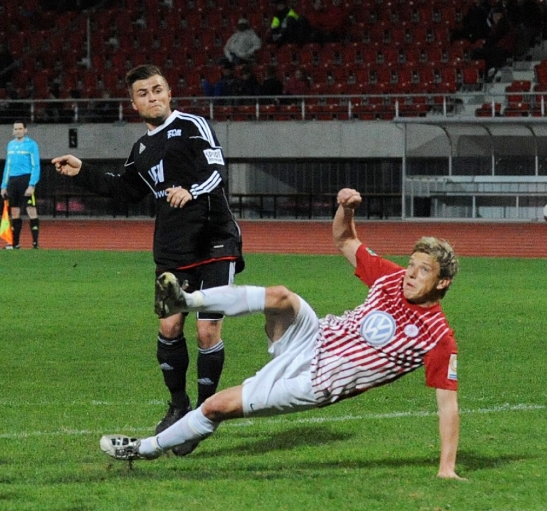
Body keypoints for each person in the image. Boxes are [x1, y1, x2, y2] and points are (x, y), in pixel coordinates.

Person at [100, 187, 462, 480]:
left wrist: (446, 467)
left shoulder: (436, 336)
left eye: (423, 270)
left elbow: (448, 405)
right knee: (282, 297)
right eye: (411, 264)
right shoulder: (390, 277)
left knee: (216, 407)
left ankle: (145, 448)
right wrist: (345, 209)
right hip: (314, 337)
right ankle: (187, 299)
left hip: (315, 382)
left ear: (442, 282)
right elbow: (344, 240)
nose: (410, 274)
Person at [52, 64, 244, 446]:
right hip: (172, 250)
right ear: (134, 104)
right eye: (143, 93)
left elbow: (217, 170)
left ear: (169, 93)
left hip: (214, 242)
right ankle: (178, 406)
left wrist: (190, 190)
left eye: (157, 89)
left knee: (206, 330)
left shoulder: (193, 125)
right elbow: (125, 190)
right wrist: (83, 171)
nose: (152, 97)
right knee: (169, 328)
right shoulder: (141, 148)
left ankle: (203, 416)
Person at [1, 120, 41, 249]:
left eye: (20, 129)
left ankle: (35, 243)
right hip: (13, 181)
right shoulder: (10, 145)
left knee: (31, 210)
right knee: (14, 211)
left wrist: (32, 184)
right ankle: (15, 243)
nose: (18, 131)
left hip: (26, 179)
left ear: (25, 130)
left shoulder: (31, 145)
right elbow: (7, 166)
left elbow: (36, 165)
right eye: (15, 129)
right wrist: (3, 185)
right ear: (13, 131)